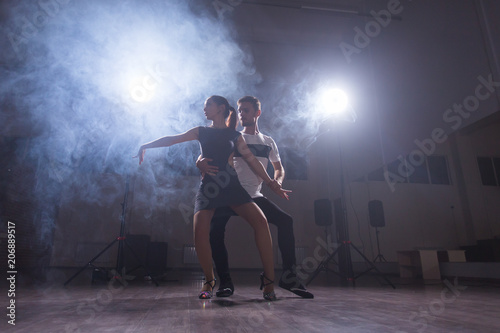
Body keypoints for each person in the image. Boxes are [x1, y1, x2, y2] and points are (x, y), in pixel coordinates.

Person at [135, 95, 289, 301]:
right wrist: (145, 145)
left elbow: (253, 162)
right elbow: (173, 139)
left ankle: (269, 283)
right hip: (209, 189)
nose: (204, 108)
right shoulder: (201, 131)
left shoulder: (234, 135)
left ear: (221, 108)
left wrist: (271, 182)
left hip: (232, 187)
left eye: (208, 105)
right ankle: (209, 280)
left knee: (261, 222)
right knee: (200, 231)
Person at [197, 96, 313, 299]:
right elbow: (209, 150)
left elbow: (279, 168)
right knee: (214, 231)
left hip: (253, 196)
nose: (241, 114)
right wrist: (199, 162)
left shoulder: (268, 142)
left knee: (286, 221)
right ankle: (225, 282)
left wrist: (277, 181)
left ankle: (288, 277)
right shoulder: (232, 136)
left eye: (246, 110)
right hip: (229, 194)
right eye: (240, 110)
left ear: (257, 113)